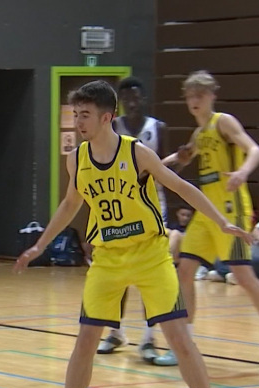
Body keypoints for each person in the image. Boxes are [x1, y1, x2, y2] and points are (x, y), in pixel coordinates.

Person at [15, 81, 248, 388]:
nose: (78, 121)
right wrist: (40, 244)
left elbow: (182, 187)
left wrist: (221, 222)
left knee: (179, 338)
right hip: (107, 257)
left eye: (85, 115)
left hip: (150, 254)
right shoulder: (78, 159)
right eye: (75, 115)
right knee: (85, 341)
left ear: (107, 117)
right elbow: (71, 202)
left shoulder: (137, 153)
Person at [163, 71, 259, 368]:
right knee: (185, 271)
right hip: (206, 211)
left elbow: (255, 149)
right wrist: (149, 165)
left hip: (231, 207)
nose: (194, 101)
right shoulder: (199, 134)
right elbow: (180, 159)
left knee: (243, 275)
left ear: (211, 96)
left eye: (200, 95)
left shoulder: (223, 122)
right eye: (190, 96)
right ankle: (185, 344)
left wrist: (244, 172)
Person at [97, 77, 173, 365]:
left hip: (154, 208)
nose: (131, 101)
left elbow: (170, 168)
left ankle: (149, 338)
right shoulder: (112, 129)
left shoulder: (158, 128)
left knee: (149, 277)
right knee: (117, 275)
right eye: (125, 97)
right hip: (121, 209)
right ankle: (115, 332)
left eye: (135, 96)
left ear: (142, 99)